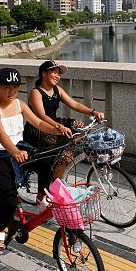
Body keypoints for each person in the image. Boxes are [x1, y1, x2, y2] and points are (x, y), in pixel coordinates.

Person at [0, 67, 72, 254]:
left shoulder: (20, 104)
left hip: (19, 147)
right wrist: (14, 152)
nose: (11, 91)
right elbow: (0, 134)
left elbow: (38, 122)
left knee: (46, 165)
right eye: (6, 87)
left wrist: (57, 129)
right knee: (10, 201)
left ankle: (40, 199)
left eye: (15, 87)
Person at [24, 60, 105, 204]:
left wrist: (93, 111)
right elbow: (41, 116)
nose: (57, 76)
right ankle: (43, 192)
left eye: (58, 73)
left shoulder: (58, 90)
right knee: (55, 149)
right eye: (53, 72)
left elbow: (74, 104)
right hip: (39, 129)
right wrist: (59, 127)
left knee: (77, 129)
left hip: (54, 125)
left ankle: (57, 177)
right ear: (43, 74)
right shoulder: (35, 92)